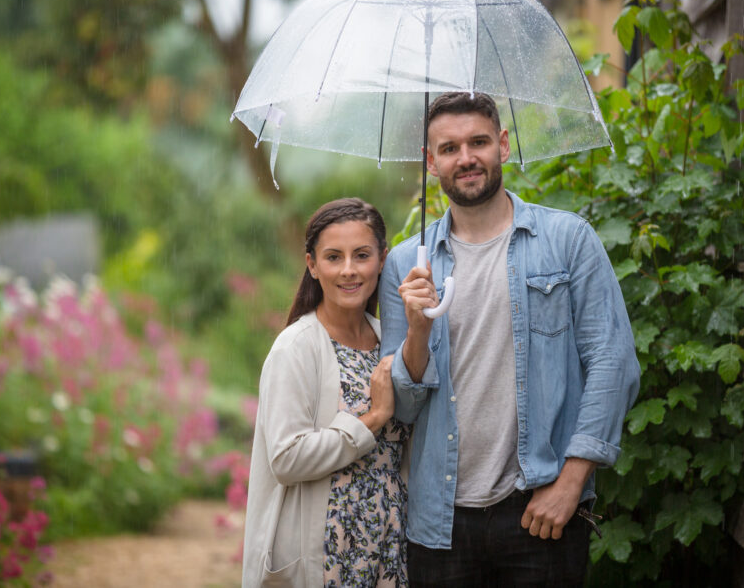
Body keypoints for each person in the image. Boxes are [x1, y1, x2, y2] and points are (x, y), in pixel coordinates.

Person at [379, 92, 641, 586]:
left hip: (540, 508)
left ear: (502, 144)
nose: (466, 158)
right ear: (430, 162)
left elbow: (613, 361)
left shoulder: (568, 240)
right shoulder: (405, 265)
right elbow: (404, 408)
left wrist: (571, 482)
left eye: (478, 142)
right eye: (449, 148)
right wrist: (418, 330)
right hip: (440, 519)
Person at [242, 198, 410, 588]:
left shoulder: (390, 342)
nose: (349, 269)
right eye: (334, 257)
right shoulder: (295, 348)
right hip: (329, 555)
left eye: (362, 255)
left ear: (382, 260)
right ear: (312, 265)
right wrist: (372, 419)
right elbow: (286, 458)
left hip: (389, 548)